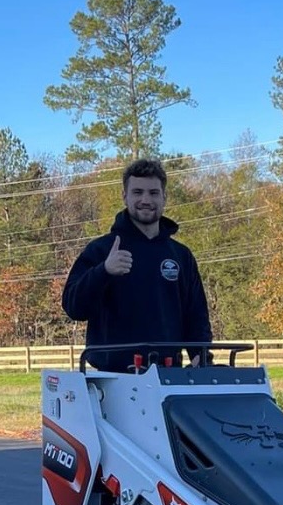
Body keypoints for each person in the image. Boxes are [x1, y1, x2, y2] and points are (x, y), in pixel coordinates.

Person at [62, 158, 213, 370]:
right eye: (137, 192)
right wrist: (104, 271)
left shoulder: (180, 255)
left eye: (153, 193)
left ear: (164, 197)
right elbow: (74, 308)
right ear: (125, 196)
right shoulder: (102, 250)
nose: (145, 199)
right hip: (112, 378)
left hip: (168, 375)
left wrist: (201, 356)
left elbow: (196, 314)